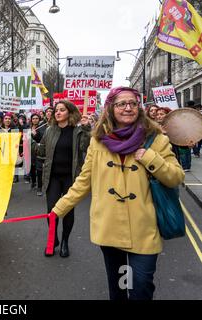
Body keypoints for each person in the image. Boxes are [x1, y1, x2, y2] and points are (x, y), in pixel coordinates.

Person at [49, 87, 184, 300]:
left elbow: (176, 177)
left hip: (144, 228)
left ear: (139, 107)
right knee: (119, 287)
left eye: (133, 103)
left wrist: (151, 158)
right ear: (111, 108)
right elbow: (84, 181)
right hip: (109, 226)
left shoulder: (156, 139)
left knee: (141, 287)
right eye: (121, 104)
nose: (128, 108)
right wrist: (58, 209)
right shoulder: (98, 140)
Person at [35, 100, 91, 258]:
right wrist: (30, 142)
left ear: (69, 112)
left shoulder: (77, 131)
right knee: (51, 211)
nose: (57, 113)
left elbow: (85, 148)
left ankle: (65, 241)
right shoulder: (49, 130)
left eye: (61, 110)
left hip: (70, 178)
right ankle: (53, 240)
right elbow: (42, 150)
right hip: (52, 177)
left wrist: (86, 129)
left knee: (67, 211)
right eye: (56, 110)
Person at [30, 113, 46, 196]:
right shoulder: (28, 128)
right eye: (33, 118)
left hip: (38, 151)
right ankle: (33, 181)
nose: (35, 120)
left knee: (39, 169)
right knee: (31, 167)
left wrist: (35, 135)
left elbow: (41, 139)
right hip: (30, 151)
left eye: (36, 118)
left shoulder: (42, 128)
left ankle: (39, 187)